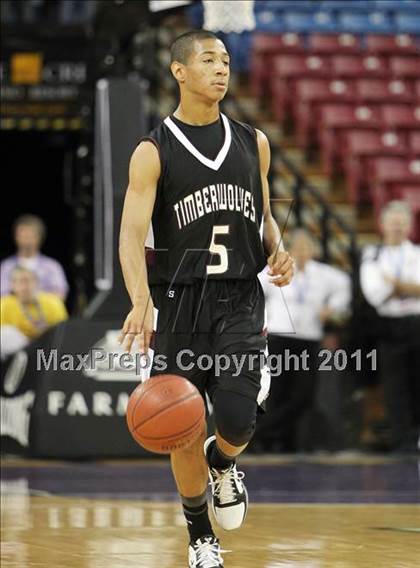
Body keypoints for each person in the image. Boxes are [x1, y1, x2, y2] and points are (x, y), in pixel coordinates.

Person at [118, 30, 294, 568]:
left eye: (225, 60)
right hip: (179, 300)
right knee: (182, 424)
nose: (222, 69)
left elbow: (262, 215)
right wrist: (140, 298)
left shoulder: (253, 141)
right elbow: (130, 235)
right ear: (179, 71)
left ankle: (225, 463)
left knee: (237, 420)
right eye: (209, 60)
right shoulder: (153, 151)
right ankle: (200, 537)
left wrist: (279, 249)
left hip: (240, 296)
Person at [257, 228, 351, 452]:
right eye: (297, 248)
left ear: (313, 250)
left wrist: (332, 308)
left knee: (303, 395)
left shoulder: (324, 274)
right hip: (279, 337)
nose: (301, 252)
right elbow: (254, 291)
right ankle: (278, 443)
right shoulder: (276, 269)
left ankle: (261, 434)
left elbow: (344, 288)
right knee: (277, 392)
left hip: (309, 338)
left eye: (306, 247)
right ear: (288, 250)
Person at [360, 200, 420, 453]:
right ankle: (401, 441)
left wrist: (394, 284)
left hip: (416, 324)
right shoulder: (372, 255)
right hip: (388, 327)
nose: (397, 227)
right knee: (394, 386)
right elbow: (374, 294)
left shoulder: (417, 254)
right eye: (393, 223)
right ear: (382, 225)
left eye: (402, 223)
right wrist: (408, 287)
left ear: (410, 226)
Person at [0, 266, 68, 360]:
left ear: (36, 283)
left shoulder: (53, 302)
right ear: (12, 285)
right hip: (19, 353)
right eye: (18, 282)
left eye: (27, 281)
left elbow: (62, 331)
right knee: (5, 333)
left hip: (49, 348)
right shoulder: (4, 305)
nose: (23, 287)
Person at [1, 214, 69, 299]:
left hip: (42, 310)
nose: (26, 240)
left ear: (39, 238)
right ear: (16, 237)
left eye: (30, 236)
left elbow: (60, 294)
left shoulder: (51, 266)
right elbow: (2, 294)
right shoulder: (6, 266)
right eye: (23, 236)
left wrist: (34, 297)